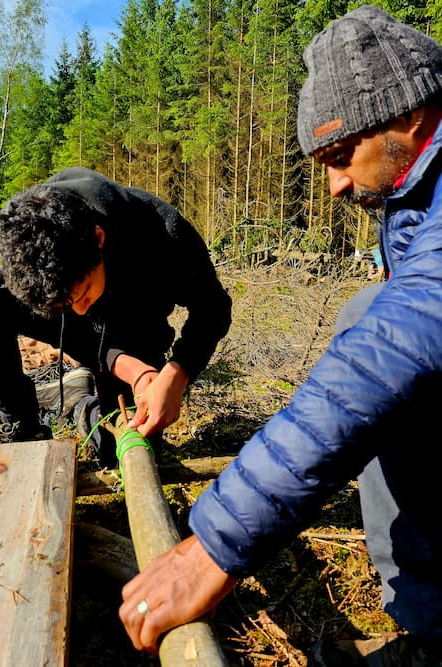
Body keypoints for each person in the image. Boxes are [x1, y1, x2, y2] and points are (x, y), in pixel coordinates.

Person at [119, 6, 442, 665]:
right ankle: (427, 623)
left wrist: (213, 544)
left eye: (341, 154)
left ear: (410, 114)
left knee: (367, 326)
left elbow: (376, 367)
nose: (334, 183)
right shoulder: (416, 193)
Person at [0, 167, 232, 467]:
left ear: (98, 238)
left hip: (131, 331)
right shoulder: (32, 234)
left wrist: (174, 375)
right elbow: (69, 309)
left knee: (123, 452)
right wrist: (66, 306)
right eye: (68, 302)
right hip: (74, 327)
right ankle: (23, 428)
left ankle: (79, 406)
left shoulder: (163, 236)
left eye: (83, 294)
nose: (80, 308)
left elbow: (213, 308)